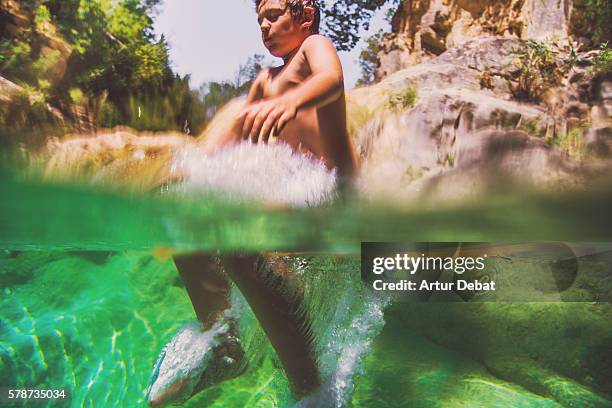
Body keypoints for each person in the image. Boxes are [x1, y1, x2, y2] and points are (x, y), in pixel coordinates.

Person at [146, 0, 358, 405]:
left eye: (274, 14)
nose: (264, 24)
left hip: (332, 199)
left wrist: (294, 101)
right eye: (258, 18)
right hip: (293, 196)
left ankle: (310, 387)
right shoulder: (264, 81)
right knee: (187, 208)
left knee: (239, 233)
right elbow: (241, 147)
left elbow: (332, 76)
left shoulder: (314, 49)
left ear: (306, 15)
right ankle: (225, 344)